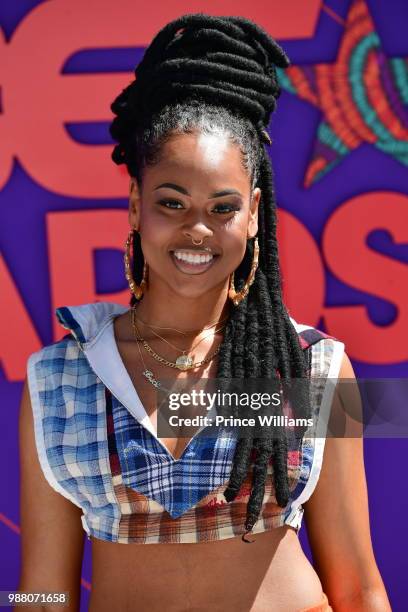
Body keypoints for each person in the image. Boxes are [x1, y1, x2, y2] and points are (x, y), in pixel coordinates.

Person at [17, 13, 391, 612]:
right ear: (137, 204)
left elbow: (359, 585)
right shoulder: (59, 379)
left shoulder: (316, 370)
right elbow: (42, 587)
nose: (197, 230)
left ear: (254, 214)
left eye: (223, 207)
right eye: (172, 202)